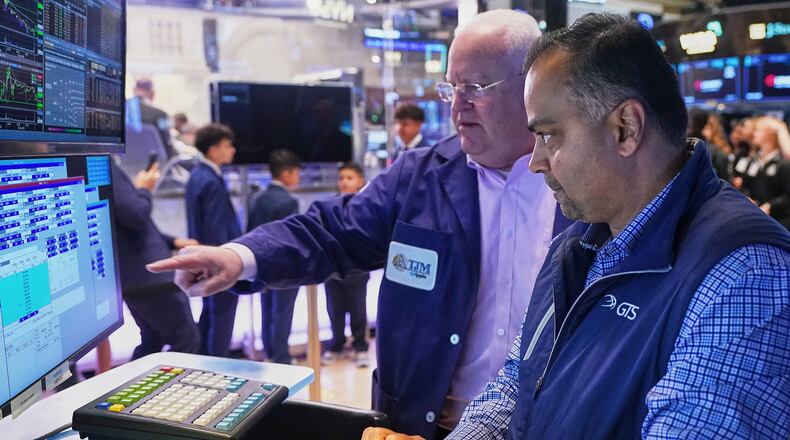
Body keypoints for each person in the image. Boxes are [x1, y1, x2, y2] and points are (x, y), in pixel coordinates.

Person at [149, 10, 570, 439]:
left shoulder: (577, 185)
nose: (458, 106)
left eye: (476, 88)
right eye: (451, 87)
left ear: (530, 85)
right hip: (421, 428)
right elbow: (331, 231)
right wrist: (239, 257)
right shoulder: (419, 178)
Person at [442, 13, 790, 440]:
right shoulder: (577, 246)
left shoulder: (744, 276)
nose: (535, 161)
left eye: (549, 135)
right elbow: (516, 385)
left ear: (626, 127)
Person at [112, 159, 201, 359]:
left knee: (153, 340)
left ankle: (131, 389)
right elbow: (134, 215)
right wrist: (144, 189)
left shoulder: (99, 165)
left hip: (135, 276)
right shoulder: (104, 165)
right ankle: (180, 391)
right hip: (151, 276)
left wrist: (173, 241)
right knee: (186, 341)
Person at [185, 124, 242, 357]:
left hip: (204, 259)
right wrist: (224, 263)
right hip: (218, 261)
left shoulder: (198, 176)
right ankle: (220, 368)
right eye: (227, 146)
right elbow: (216, 227)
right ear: (213, 149)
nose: (233, 150)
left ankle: (204, 365)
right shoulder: (210, 181)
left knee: (210, 315)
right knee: (222, 319)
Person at [247, 149, 302, 364]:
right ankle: (282, 357)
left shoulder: (257, 199)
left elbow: (250, 230)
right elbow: (291, 238)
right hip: (284, 267)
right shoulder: (288, 202)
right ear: (287, 173)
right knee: (282, 314)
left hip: (260, 265)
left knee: (267, 311)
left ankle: (270, 353)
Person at [321, 162, 371, 368]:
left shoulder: (367, 206)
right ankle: (336, 345)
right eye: (341, 178)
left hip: (357, 270)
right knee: (335, 311)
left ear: (360, 181)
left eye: (349, 178)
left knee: (358, 311)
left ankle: (360, 347)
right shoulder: (329, 206)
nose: (344, 182)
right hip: (333, 271)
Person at [745, 116, 790, 229]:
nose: (753, 133)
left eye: (758, 130)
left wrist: (770, 206)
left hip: (780, 222)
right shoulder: (754, 160)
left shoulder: (783, 163)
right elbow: (747, 185)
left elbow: (788, 195)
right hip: (756, 217)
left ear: (770, 134)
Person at [132, 78, 176, 158]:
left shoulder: (121, 113)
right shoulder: (161, 115)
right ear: (152, 93)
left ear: (134, 90)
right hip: (155, 166)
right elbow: (168, 144)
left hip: (123, 165)